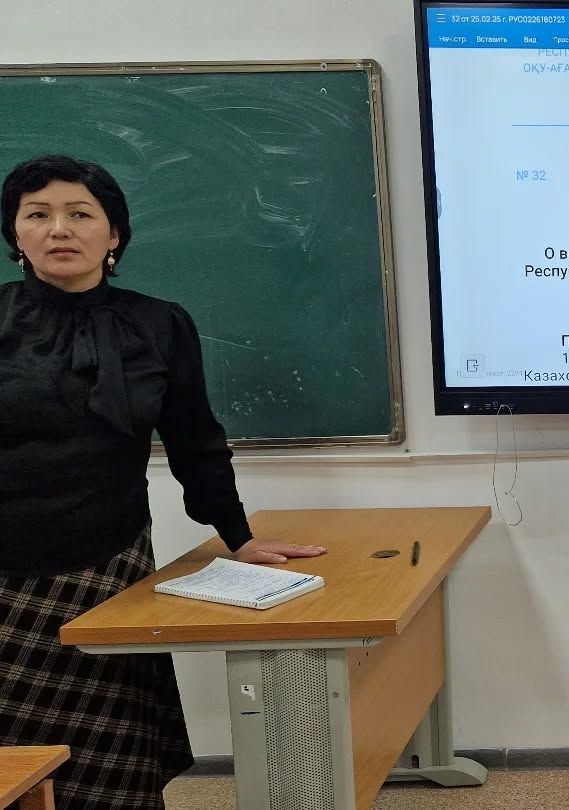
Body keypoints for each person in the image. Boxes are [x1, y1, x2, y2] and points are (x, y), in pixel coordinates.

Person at [0, 154, 326, 809]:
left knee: (113, 753)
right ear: (15, 234)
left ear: (114, 234)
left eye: (79, 214)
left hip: (107, 563)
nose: (58, 229)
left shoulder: (158, 323)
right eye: (37, 215)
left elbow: (195, 440)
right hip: (5, 580)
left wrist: (237, 536)